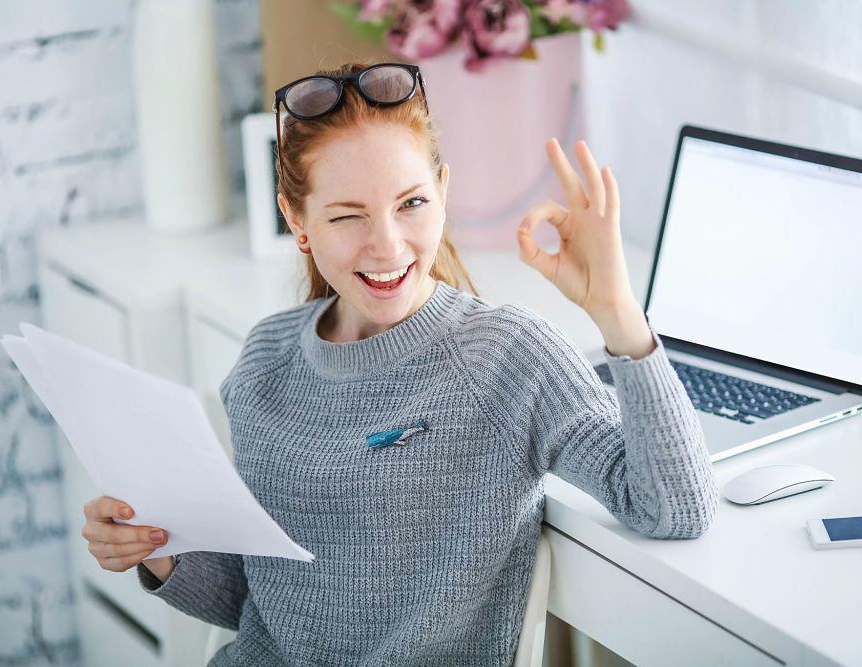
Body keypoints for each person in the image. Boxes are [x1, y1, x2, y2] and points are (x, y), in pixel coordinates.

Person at [80, 61, 718, 666]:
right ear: (297, 221)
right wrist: (157, 551)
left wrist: (616, 311)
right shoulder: (264, 361)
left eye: (410, 203)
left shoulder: (507, 357)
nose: (387, 244)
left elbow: (674, 505)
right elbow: (258, 605)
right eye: (347, 215)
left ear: (443, 190)